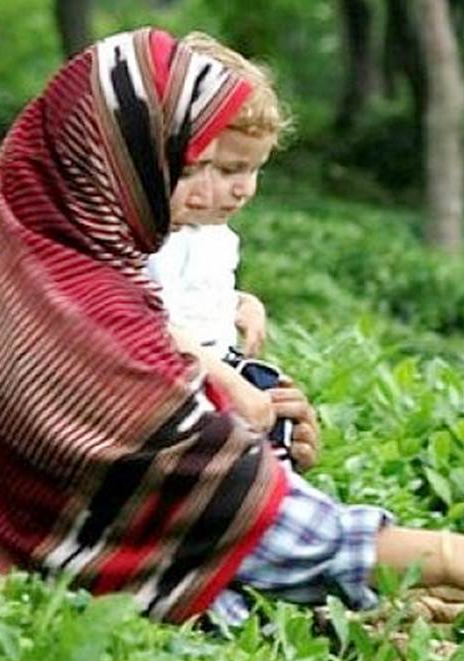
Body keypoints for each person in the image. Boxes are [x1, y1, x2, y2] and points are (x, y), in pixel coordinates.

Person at [0, 28, 464, 661]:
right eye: (194, 163)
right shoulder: (89, 320)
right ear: (127, 156)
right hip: (66, 584)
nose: (223, 187)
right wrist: (450, 556)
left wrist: (248, 416)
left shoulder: (33, 258)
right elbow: (223, 504)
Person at [144, 32, 291, 449]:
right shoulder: (157, 237)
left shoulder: (216, 234)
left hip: (224, 362)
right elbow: (149, 320)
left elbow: (200, 296)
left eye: (254, 170)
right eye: (227, 170)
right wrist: (229, 383)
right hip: (181, 381)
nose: (243, 189)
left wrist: (242, 303)